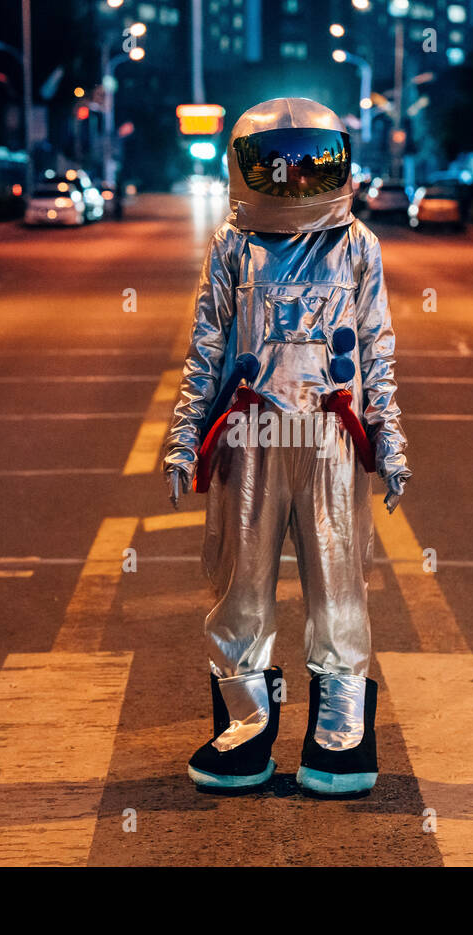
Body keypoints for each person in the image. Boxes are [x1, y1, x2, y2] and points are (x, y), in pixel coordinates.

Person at [162, 97, 410, 798]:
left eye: (311, 169)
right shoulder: (233, 246)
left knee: (339, 591)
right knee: (241, 589)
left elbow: (377, 351)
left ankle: (341, 737)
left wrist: (389, 443)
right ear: (249, 172)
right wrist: (185, 439)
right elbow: (207, 346)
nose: (296, 185)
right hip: (251, 434)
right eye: (280, 169)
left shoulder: (358, 244)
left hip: (331, 435)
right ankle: (244, 730)